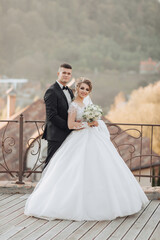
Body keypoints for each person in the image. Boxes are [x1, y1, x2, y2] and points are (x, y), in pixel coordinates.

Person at [24, 78, 149, 221]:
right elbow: (70, 125)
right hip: (80, 138)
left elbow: (96, 120)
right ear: (77, 89)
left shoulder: (88, 103)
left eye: (87, 90)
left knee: (102, 167)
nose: (84, 91)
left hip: (94, 137)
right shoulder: (73, 105)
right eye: (82, 88)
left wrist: (94, 122)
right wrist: (85, 124)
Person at [42, 63, 74, 169]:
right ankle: (44, 186)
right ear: (58, 73)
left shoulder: (69, 91)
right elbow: (52, 116)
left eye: (68, 73)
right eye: (64, 72)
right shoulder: (51, 91)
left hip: (69, 134)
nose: (66, 75)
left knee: (64, 165)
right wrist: (69, 126)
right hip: (56, 134)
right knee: (51, 163)